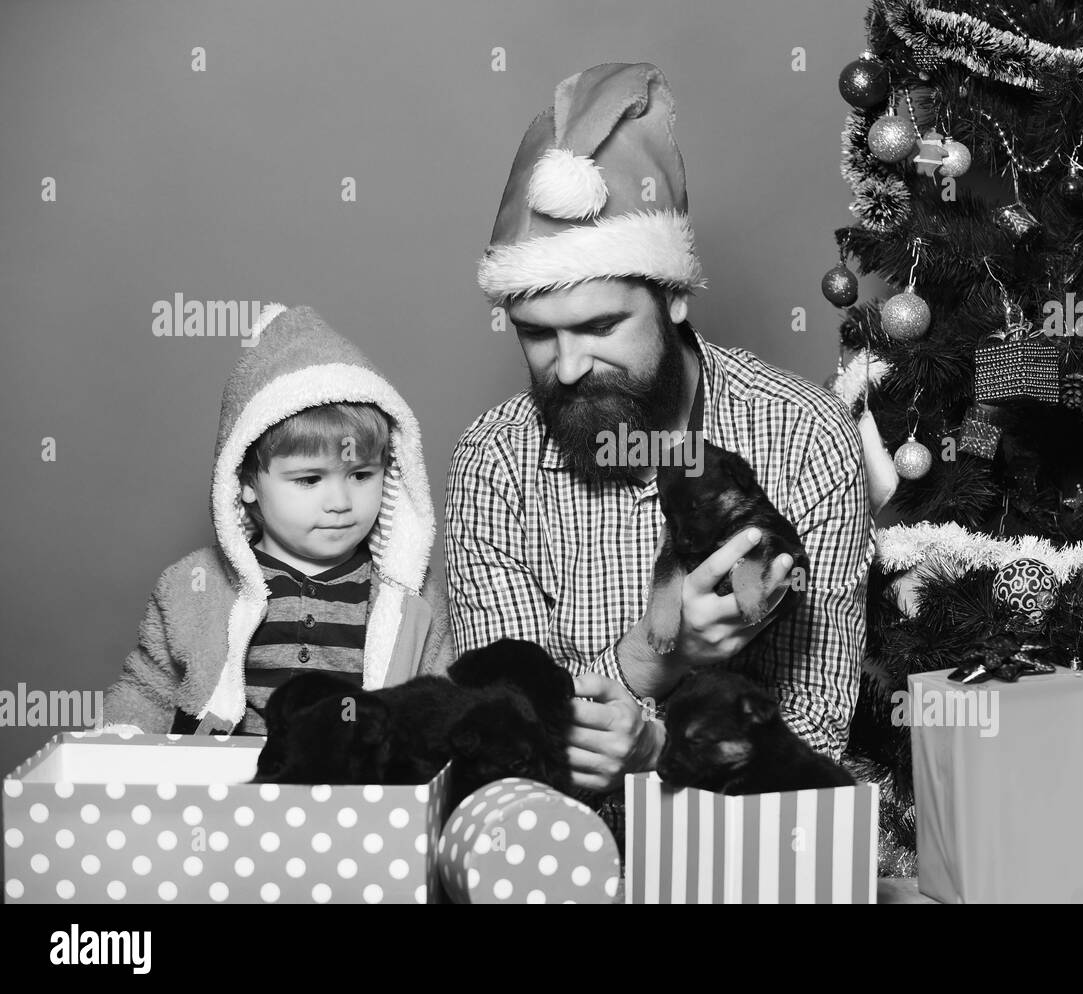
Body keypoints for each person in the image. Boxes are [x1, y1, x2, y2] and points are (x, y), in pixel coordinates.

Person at [447, 63, 873, 793]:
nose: (570, 365)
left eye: (601, 325)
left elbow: (815, 733)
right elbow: (503, 741)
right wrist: (658, 651)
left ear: (673, 295)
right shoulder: (494, 460)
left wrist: (655, 750)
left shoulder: (805, 436)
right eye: (536, 335)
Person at [104, 304, 454, 734]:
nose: (341, 501)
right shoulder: (194, 586)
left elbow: (439, 700)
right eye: (309, 480)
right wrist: (117, 742)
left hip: (356, 792)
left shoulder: (408, 598)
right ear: (247, 481)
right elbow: (147, 691)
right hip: (221, 789)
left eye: (362, 475)